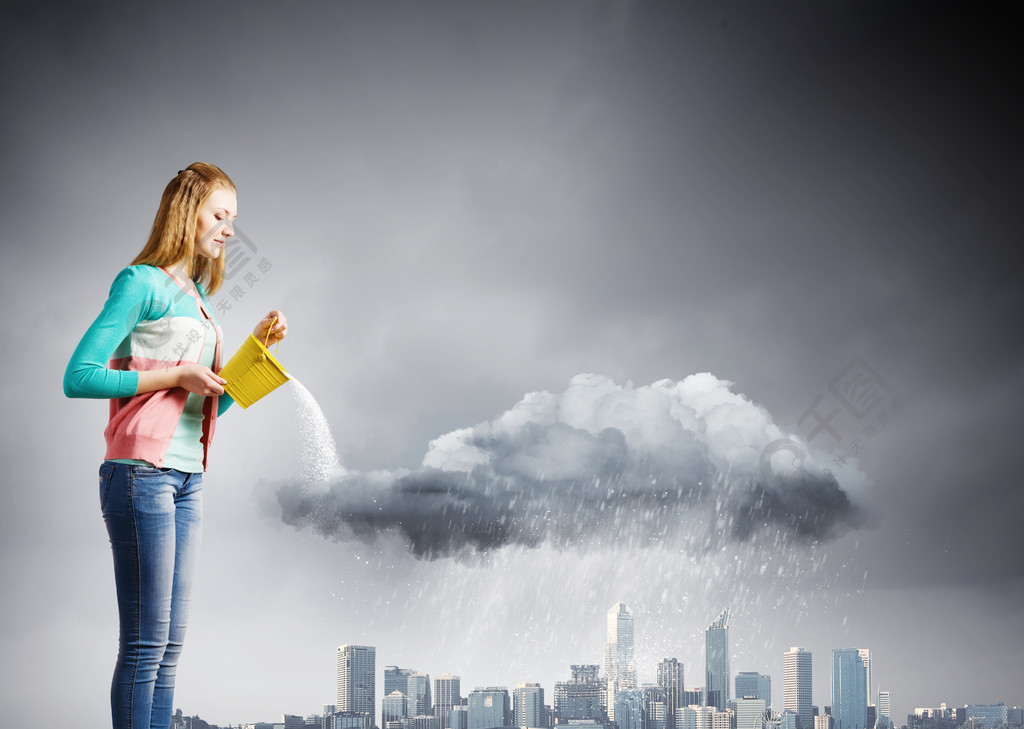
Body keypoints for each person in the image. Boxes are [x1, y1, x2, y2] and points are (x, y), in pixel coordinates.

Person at [63, 162, 287, 729]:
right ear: (187, 212)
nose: (230, 230)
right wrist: (176, 376)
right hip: (140, 474)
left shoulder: (198, 299)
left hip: (188, 479)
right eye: (220, 214)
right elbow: (78, 376)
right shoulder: (140, 283)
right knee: (143, 647)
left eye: (234, 219)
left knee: (168, 650)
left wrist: (257, 349)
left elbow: (209, 404)